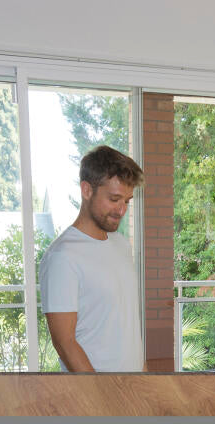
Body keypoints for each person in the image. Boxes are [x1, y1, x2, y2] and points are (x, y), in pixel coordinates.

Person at [39, 145, 145, 372]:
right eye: (114, 199)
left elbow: (128, 329)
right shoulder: (62, 256)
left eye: (127, 201)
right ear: (86, 190)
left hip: (133, 387)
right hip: (94, 391)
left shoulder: (121, 245)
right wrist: (99, 391)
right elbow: (64, 343)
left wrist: (144, 378)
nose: (122, 210)